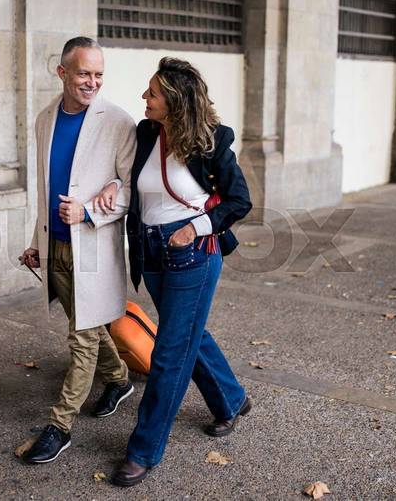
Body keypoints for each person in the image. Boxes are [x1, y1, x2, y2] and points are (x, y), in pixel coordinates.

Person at [102, 57, 253, 486]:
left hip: (194, 255)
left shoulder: (211, 143)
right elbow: (129, 181)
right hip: (151, 252)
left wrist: (195, 228)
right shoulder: (147, 133)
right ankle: (232, 398)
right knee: (188, 333)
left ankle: (143, 451)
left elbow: (240, 202)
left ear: (175, 101)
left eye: (152, 93)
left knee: (169, 354)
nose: (144, 98)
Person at [17, 37, 137, 465]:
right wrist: (37, 241)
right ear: (62, 72)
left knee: (81, 338)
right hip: (56, 246)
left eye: (99, 74)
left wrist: (87, 210)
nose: (92, 82)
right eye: (84, 73)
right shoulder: (45, 118)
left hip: (94, 247)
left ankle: (60, 425)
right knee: (83, 323)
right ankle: (119, 379)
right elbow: (46, 189)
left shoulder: (118, 122)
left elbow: (130, 192)